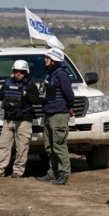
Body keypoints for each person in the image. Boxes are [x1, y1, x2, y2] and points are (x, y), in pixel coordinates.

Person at [0, 60, 40, 178]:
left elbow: (36, 100)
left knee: (22, 147)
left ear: (25, 72)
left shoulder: (30, 85)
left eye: (21, 72)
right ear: (13, 71)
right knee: (3, 146)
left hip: (24, 121)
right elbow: (0, 96)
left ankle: (18, 171)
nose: (18, 74)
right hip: (9, 119)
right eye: (16, 71)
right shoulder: (7, 83)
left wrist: (26, 94)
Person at [36, 48, 75, 185]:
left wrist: (67, 107)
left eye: (47, 58)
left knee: (59, 145)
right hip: (48, 114)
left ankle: (64, 174)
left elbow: (70, 96)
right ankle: (53, 172)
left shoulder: (61, 75)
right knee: (49, 146)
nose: (45, 60)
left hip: (58, 115)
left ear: (54, 60)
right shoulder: (50, 75)